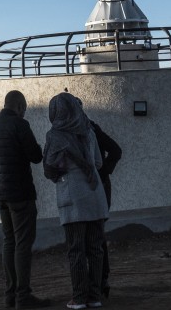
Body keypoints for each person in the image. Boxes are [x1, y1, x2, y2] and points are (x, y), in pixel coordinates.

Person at [0, 90, 50, 309]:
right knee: (22, 244)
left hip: (0, 193)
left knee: (9, 242)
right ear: (20, 106)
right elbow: (35, 156)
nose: (24, 113)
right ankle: (23, 297)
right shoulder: (20, 126)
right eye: (24, 109)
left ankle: (10, 295)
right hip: (20, 193)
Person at [43, 92, 108, 310]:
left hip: (72, 196)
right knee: (95, 248)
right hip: (95, 194)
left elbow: (50, 168)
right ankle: (95, 296)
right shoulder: (88, 131)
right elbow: (98, 162)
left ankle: (79, 298)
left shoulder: (55, 136)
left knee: (76, 249)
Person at [88, 118, 121, 299]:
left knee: (96, 234)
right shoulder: (91, 128)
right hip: (99, 187)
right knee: (97, 234)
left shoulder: (90, 129)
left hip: (97, 188)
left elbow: (116, 150)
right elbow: (115, 150)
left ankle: (100, 279)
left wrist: (102, 172)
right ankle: (101, 279)